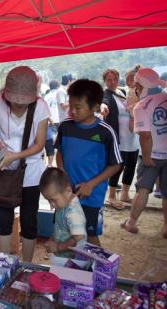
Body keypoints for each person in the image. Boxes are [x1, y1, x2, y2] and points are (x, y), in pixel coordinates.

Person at [0, 66, 50, 261]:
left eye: (23, 102)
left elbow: (39, 144)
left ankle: (27, 264)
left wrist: (15, 156)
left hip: (31, 172)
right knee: (3, 218)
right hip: (4, 170)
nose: (18, 105)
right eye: (14, 101)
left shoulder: (40, 107)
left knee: (29, 220)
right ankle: (5, 262)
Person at [55, 79, 122, 246]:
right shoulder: (65, 127)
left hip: (91, 197)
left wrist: (91, 184)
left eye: (78, 107)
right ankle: (70, 268)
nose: (72, 111)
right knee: (65, 231)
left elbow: (116, 164)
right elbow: (60, 153)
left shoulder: (105, 132)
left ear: (95, 107)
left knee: (90, 236)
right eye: (70, 106)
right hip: (66, 194)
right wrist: (62, 176)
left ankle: (95, 270)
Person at [121, 68, 167, 240]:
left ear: (140, 86)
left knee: (143, 189)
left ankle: (132, 222)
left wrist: (147, 157)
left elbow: (145, 135)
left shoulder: (142, 106)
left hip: (153, 155)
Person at [101, 69, 140, 210]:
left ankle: (124, 193)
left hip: (131, 136)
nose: (112, 82)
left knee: (131, 164)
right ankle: (111, 195)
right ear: (104, 81)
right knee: (117, 166)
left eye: (115, 79)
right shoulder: (106, 95)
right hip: (118, 137)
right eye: (109, 79)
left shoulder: (123, 92)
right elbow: (104, 103)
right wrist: (103, 107)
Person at [40, 168, 87, 263]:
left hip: (73, 262)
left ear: (68, 191)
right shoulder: (62, 205)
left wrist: (58, 246)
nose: (51, 205)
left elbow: (78, 238)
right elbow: (61, 227)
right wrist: (52, 239)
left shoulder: (73, 213)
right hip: (63, 258)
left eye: (53, 200)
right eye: (48, 200)